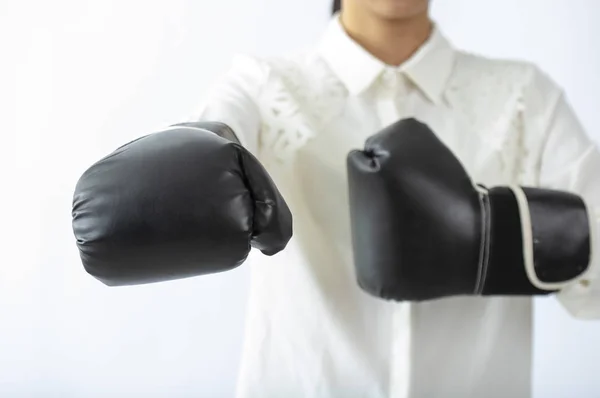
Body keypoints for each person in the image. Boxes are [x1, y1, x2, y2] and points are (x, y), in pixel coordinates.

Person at [72, 0, 600, 397]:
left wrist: (489, 237)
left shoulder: (527, 97)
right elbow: (214, 134)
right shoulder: (261, 85)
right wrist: (192, 166)